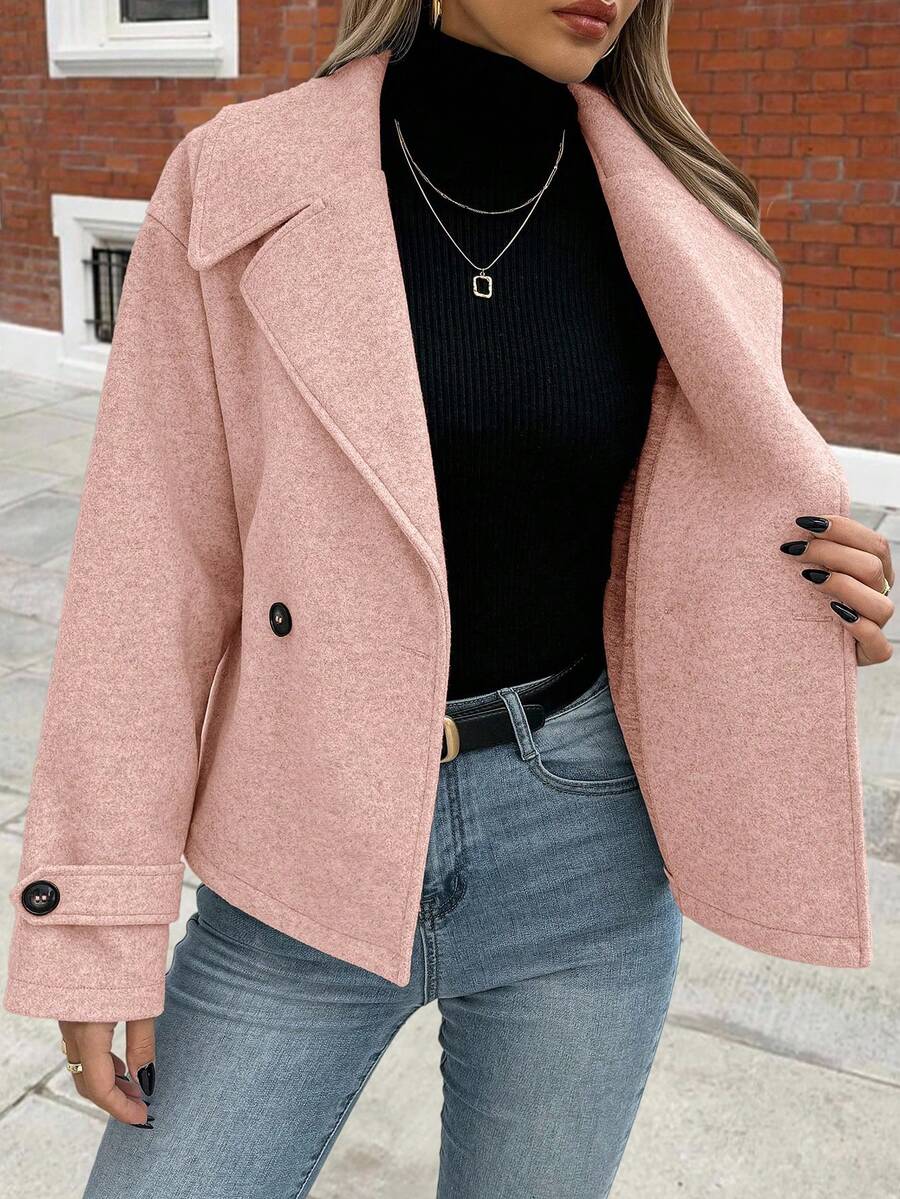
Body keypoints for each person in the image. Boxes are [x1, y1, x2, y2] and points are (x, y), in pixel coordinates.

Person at [6, 1, 894, 1196]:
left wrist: (801, 586)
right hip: (302, 838)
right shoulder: (239, 179)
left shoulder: (676, 210)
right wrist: (96, 917)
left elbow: (684, 513)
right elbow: (148, 572)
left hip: (582, 842)